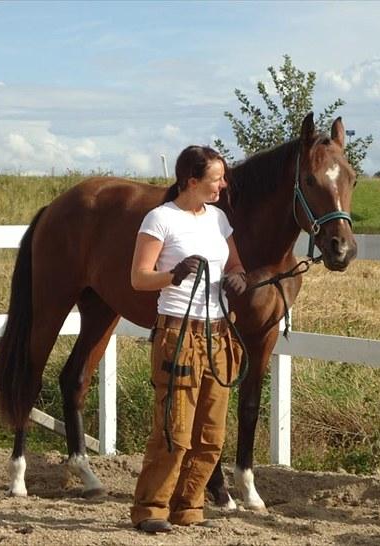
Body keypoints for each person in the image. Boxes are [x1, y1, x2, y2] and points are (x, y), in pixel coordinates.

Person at [129, 145, 247, 533]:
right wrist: (173, 274)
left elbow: (234, 264)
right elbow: (139, 278)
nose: (223, 185)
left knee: (211, 434)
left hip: (218, 335)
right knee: (173, 431)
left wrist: (238, 278)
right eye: (217, 179)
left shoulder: (218, 219)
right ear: (192, 181)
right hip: (178, 333)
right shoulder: (160, 219)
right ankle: (151, 509)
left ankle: (189, 506)